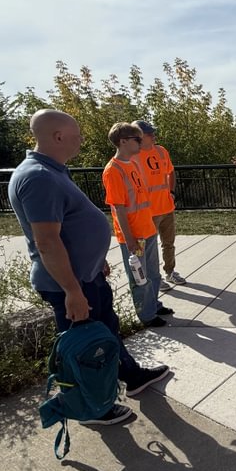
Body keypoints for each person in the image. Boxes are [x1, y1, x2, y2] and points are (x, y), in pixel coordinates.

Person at [8, 110, 169, 426]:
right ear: (57, 137)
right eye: (76, 134)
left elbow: (70, 228)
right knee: (84, 352)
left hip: (85, 275)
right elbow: (47, 242)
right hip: (70, 284)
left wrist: (95, 261)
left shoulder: (52, 171)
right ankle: (93, 409)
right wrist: (72, 290)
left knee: (105, 331)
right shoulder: (38, 178)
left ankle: (132, 376)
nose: (82, 139)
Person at [102, 122, 173, 326]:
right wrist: (129, 238)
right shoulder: (113, 170)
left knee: (152, 273)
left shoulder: (132, 163)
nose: (141, 143)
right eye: (137, 139)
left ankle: (153, 305)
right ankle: (146, 315)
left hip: (147, 228)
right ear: (123, 142)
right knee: (139, 277)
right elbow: (119, 208)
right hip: (134, 235)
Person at [134, 120, 186, 289]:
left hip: (166, 207)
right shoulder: (133, 156)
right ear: (140, 137)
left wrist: (171, 192)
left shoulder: (162, 151)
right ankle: (153, 278)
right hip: (147, 211)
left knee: (168, 243)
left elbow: (171, 172)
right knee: (149, 248)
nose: (153, 136)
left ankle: (170, 272)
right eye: (149, 134)